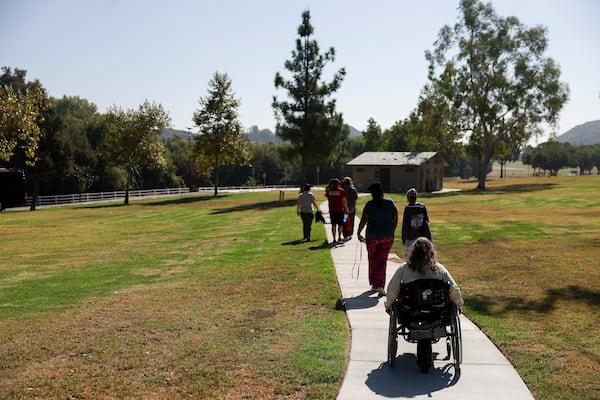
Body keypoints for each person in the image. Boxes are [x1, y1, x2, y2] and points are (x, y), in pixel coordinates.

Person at [385, 237, 463, 311]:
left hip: (410, 308)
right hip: (436, 310)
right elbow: (453, 289)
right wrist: (458, 304)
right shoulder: (439, 269)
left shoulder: (404, 269)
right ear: (431, 252)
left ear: (413, 252)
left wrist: (388, 305)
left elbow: (392, 289)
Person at [356, 182, 398, 296]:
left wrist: (359, 232)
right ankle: (380, 285)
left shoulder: (370, 205)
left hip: (372, 237)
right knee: (382, 261)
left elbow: (364, 219)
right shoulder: (390, 203)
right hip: (387, 237)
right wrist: (390, 231)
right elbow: (395, 218)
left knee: (373, 260)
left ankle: (375, 284)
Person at [401, 188, 431, 257]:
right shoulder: (422, 207)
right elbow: (426, 221)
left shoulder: (408, 209)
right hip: (420, 236)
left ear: (408, 198)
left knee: (409, 255)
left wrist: (403, 238)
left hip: (410, 236)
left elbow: (405, 224)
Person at [325, 178, 349, 244]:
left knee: (333, 225)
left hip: (332, 210)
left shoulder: (329, 191)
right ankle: (339, 237)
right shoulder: (341, 190)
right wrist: (346, 209)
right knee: (341, 224)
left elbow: (328, 197)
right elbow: (344, 200)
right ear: (338, 184)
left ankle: (334, 238)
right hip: (340, 210)